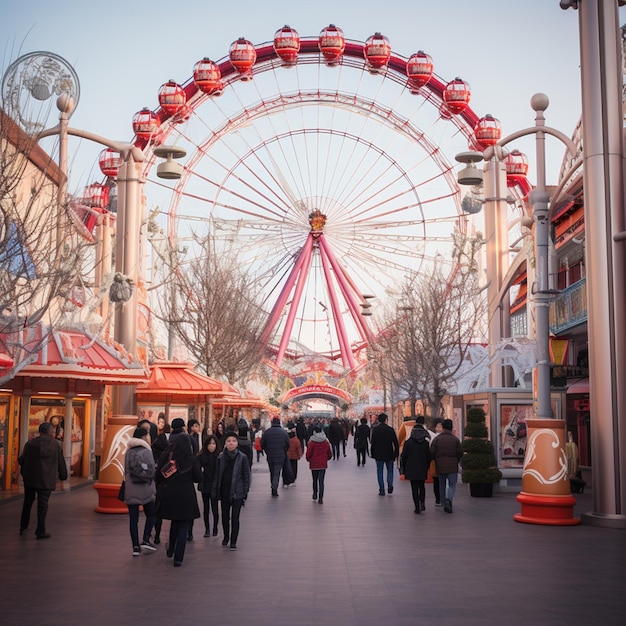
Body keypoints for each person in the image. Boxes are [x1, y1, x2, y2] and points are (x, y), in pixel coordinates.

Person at [156, 435, 202, 567]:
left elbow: (159, 475)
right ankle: (178, 557)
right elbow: (198, 478)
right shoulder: (192, 460)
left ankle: (171, 550)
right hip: (187, 495)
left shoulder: (169, 457)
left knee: (174, 523)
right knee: (184, 525)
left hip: (171, 494)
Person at [19, 422, 68, 539]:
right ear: (50, 431)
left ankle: (23, 526)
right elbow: (60, 461)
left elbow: (21, 460)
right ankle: (40, 530)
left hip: (30, 479)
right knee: (42, 506)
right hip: (47, 479)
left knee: (27, 503)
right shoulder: (55, 445)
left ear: (40, 431)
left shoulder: (30, 444)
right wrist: (63, 476)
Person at [212, 432, 251, 550]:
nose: (231, 443)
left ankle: (233, 540)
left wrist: (245, 491)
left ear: (237, 443)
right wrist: (215, 490)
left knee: (235, 517)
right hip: (224, 490)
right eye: (229, 441)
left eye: (233, 441)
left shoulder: (242, 457)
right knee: (224, 516)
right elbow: (217, 475)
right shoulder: (220, 457)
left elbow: (247, 475)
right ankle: (226, 536)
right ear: (225, 443)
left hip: (237, 492)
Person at [123, 427, 157, 556]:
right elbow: (152, 471)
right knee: (152, 515)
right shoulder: (147, 451)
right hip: (146, 488)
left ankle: (135, 547)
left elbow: (125, 471)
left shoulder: (128, 451)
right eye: (147, 435)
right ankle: (146, 539)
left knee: (133, 519)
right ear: (143, 437)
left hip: (131, 488)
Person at [430, 418, 462, 514]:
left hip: (440, 466)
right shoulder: (455, 440)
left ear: (443, 428)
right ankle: (449, 499)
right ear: (451, 428)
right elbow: (460, 452)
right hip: (452, 466)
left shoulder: (437, 439)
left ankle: (443, 502)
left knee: (441, 484)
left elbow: (432, 452)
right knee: (452, 484)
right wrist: (457, 460)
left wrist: (435, 459)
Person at [400, 416, 431, 514]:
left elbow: (403, 455)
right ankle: (422, 503)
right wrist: (427, 465)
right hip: (422, 466)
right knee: (422, 486)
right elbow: (429, 456)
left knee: (414, 487)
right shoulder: (426, 442)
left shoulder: (409, 442)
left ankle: (417, 506)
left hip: (411, 467)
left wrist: (403, 467)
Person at [370, 413, 399, 496]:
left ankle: (382, 489)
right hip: (389, 454)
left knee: (380, 472)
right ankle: (390, 485)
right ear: (386, 420)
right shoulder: (390, 430)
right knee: (390, 471)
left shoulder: (376, 430)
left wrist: (373, 454)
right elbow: (395, 443)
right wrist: (396, 453)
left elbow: (373, 443)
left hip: (379, 454)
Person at [198, 434, 221, 537]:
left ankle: (215, 527)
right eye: (210, 444)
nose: (212, 446)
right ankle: (207, 529)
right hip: (205, 484)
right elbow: (197, 469)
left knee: (215, 508)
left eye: (213, 443)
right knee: (206, 508)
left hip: (215, 485)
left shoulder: (220, 456)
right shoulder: (201, 456)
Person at [261, 417, 290, 497]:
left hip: (270, 455)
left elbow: (262, 443)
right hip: (280, 456)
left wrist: (267, 451)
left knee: (272, 472)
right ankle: (274, 488)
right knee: (277, 472)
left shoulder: (267, 432)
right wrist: (283, 451)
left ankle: (273, 486)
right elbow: (288, 444)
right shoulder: (284, 433)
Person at [305, 426, 332, 503]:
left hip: (314, 464)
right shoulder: (326, 442)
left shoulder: (312, 442)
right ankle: (321, 497)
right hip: (323, 464)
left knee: (314, 480)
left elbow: (308, 454)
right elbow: (329, 453)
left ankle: (314, 493)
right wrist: (326, 459)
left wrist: (308, 459)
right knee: (321, 481)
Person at [429, 419, 443, 506]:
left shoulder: (434, 438)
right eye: (438, 426)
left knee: (438, 482)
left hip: (438, 462)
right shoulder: (433, 437)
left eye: (441, 426)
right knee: (439, 482)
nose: (440, 428)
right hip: (437, 463)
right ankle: (439, 499)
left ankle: (439, 499)